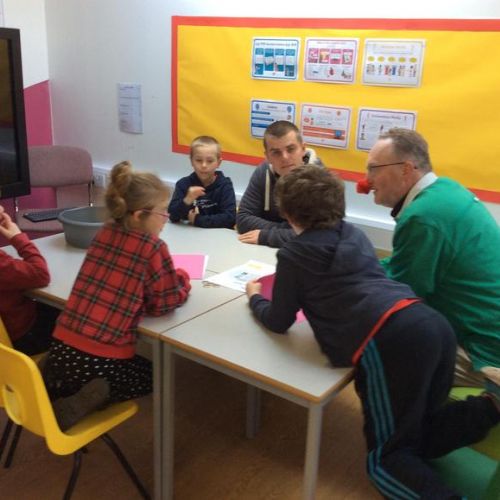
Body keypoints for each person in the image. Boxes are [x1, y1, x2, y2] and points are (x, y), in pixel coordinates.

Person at [246, 166, 499, 499]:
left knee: (385, 460)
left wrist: (255, 298)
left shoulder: (293, 254)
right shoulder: (353, 233)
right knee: (418, 427)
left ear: (288, 213)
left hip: (392, 340)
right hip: (433, 325)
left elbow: (279, 321)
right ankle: (491, 406)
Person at [42, 161, 191, 430]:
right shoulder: (153, 247)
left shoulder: (104, 232)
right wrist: (183, 282)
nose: (166, 219)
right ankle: (99, 393)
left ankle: (58, 386)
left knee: (70, 372)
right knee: (152, 375)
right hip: (102, 360)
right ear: (139, 215)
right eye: (162, 212)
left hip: (62, 347)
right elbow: (164, 304)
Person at [364, 127, 500, 389]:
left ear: (406, 169)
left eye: (373, 169)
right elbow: (406, 264)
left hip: (485, 350)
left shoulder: (422, 218)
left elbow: (400, 296)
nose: (367, 179)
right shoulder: (447, 188)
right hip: (488, 326)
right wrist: (367, 266)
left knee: (378, 351)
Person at [236, 120, 323, 248]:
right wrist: (290, 231)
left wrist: (268, 235)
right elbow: (243, 219)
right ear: (268, 157)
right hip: (264, 251)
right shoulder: (263, 172)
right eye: (276, 152)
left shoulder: (321, 180)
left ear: (303, 149)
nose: (285, 157)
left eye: (291, 149)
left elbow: (318, 236)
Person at [0, 204, 59, 355]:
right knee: (72, 316)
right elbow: (41, 274)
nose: (1, 208)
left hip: (12, 330)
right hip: (20, 338)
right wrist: (17, 237)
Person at [168, 135, 236, 229]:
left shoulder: (225, 185)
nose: (204, 165)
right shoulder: (183, 184)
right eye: (199, 160)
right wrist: (187, 200)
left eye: (210, 161)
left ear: (218, 163)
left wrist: (197, 220)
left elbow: (230, 219)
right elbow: (172, 216)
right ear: (191, 161)